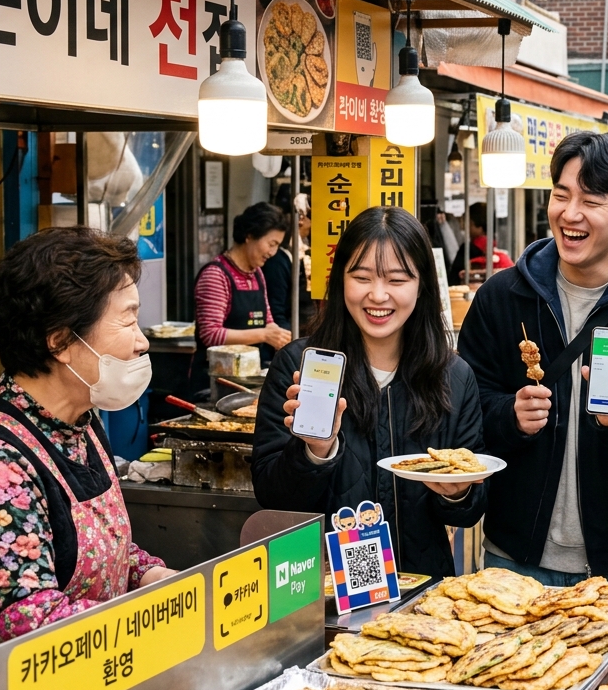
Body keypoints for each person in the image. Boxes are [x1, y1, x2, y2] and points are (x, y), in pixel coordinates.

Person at [0, 227, 174, 671]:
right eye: (128, 320)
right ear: (61, 342)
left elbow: (97, 552)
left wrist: (152, 575)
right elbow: (32, 624)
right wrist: (157, 624)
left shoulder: (78, 426)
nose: (142, 339)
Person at [457, 131, 608, 591]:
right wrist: (510, 416)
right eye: (561, 195)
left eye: (591, 200)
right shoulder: (501, 298)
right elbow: (465, 407)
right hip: (514, 556)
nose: (570, 214)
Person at [253, 207, 486, 576]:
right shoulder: (299, 365)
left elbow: (471, 510)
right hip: (322, 588)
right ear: (339, 280)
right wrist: (315, 451)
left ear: (422, 284)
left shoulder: (453, 376)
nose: (378, 296)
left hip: (422, 591)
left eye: (397, 280)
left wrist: (456, 491)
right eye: (361, 277)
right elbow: (273, 497)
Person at [193, 202, 292, 386]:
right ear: (250, 235)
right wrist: (264, 335)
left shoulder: (257, 274)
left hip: (248, 377)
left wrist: (280, 335)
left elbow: (267, 320)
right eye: (271, 244)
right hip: (215, 381)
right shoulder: (216, 275)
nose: (273, 252)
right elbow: (211, 334)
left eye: (277, 246)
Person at [263, 191, 316, 334]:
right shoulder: (280, 258)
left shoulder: (307, 249)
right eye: (312, 218)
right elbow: (276, 308)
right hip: (291, 332)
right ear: (301, 219)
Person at [448, 201, 515, 286]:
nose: (465, 228)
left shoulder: (468, 249)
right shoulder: (496, 248)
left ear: (475, 224)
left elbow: (453, 279)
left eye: (468, 223)